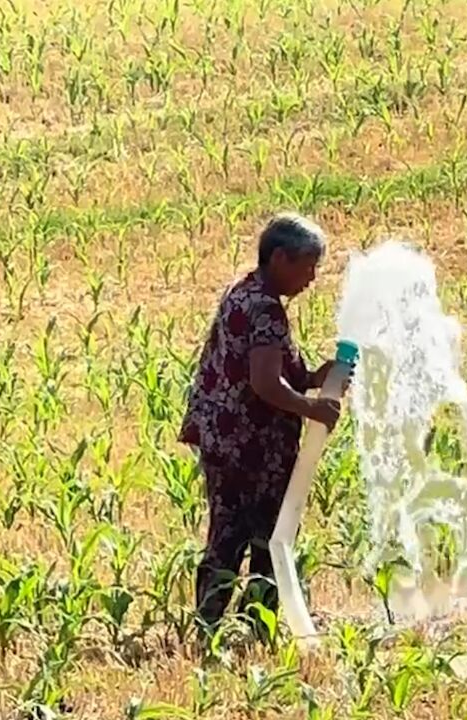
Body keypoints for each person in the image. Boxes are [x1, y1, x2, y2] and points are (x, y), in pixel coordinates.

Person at [177, 212, 348, 639]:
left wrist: (311, 378)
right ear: (279, 258)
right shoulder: (266, 309)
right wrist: (313, 409)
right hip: (251, 447)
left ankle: (208, 625)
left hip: (222, 439)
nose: (311, 277)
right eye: (307, 265)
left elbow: (259, 369)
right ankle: (260, 628)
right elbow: (266, 383)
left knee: (226, 535)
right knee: (269, 538)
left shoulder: (242, 291)